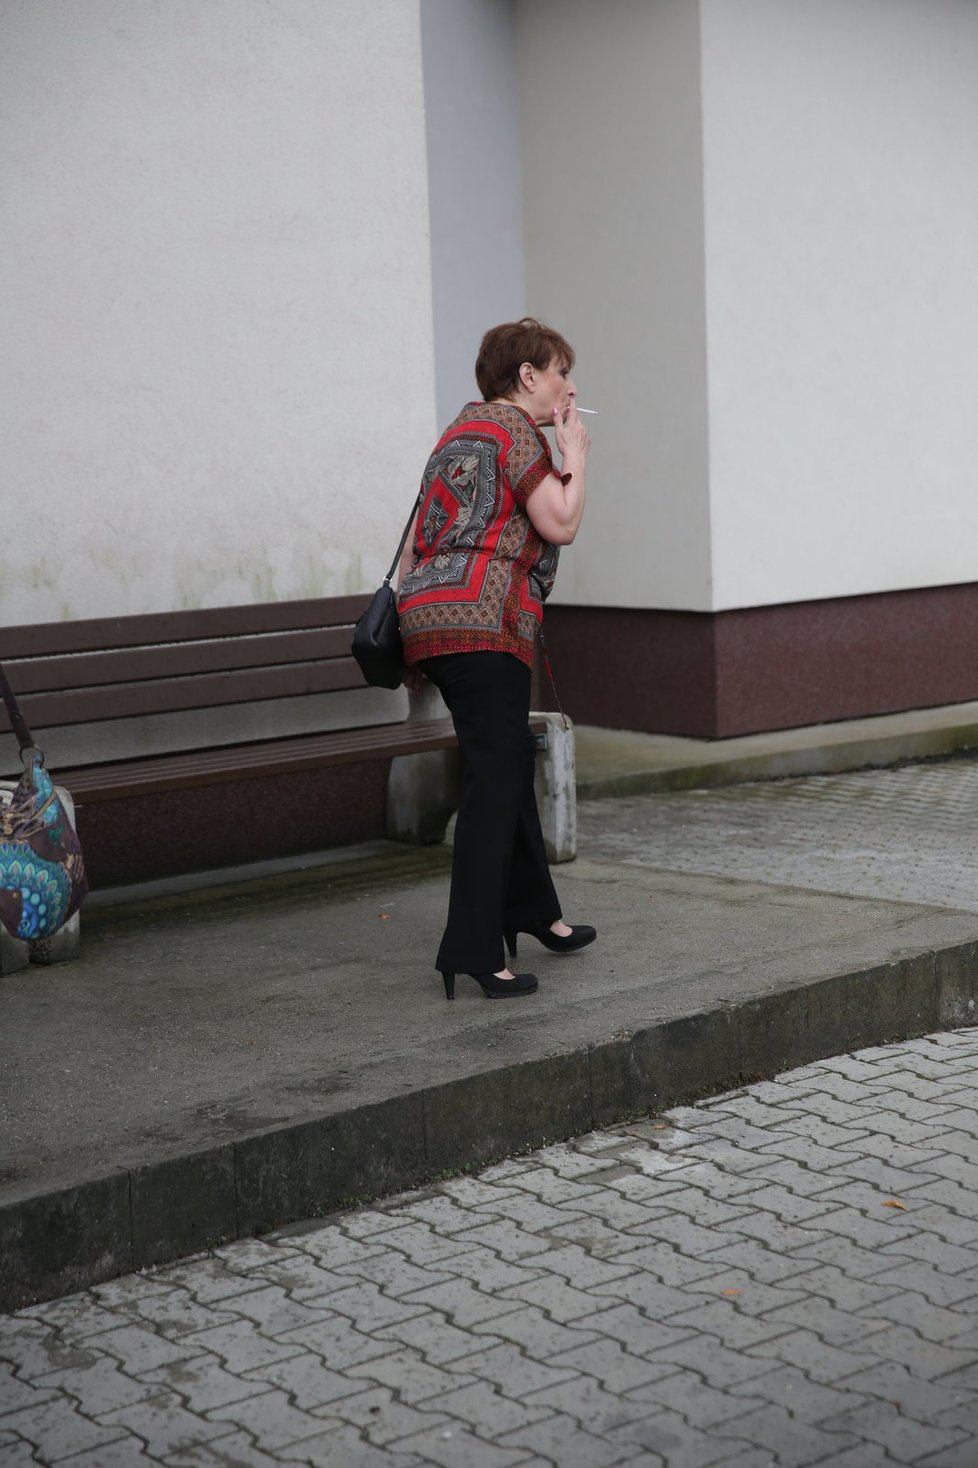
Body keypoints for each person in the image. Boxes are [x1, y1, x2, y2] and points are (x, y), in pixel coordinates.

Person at [397, 318, 596, 1001]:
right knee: (494, 782)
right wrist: (575, 448)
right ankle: (475, 949)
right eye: (560, 371)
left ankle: (535, 912)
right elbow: (560, 520)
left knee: (500, 761)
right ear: (528, 377)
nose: (568, 385)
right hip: (484, 622)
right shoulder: (515, 433)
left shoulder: (456, 433)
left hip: (427, 619)